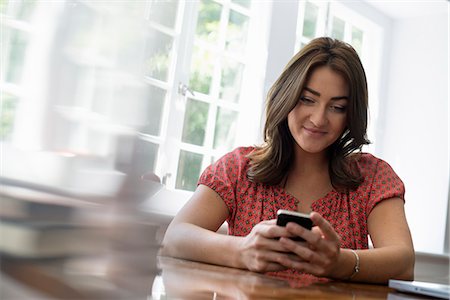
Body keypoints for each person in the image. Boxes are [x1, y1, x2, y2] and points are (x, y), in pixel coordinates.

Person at [161, 37, 414, 284]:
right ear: (287, 95)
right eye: (307, 99)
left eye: (337, 107)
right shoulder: (238, 168)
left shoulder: (372, 177)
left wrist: (341, 263)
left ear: (351, 115)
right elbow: (176, 237)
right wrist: (242, 250)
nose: (318, 119)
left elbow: (404, 265)